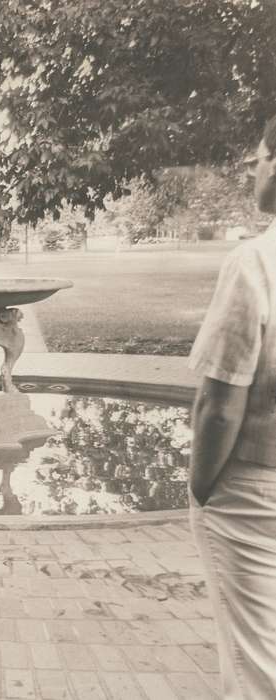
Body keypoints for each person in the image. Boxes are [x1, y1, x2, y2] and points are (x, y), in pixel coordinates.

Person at [188, 114, 276, 698]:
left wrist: (200, 487)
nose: (254, 164)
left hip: (254, 491)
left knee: (256, 666)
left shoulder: (255, 262)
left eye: (263, 153)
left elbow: (221, 404)